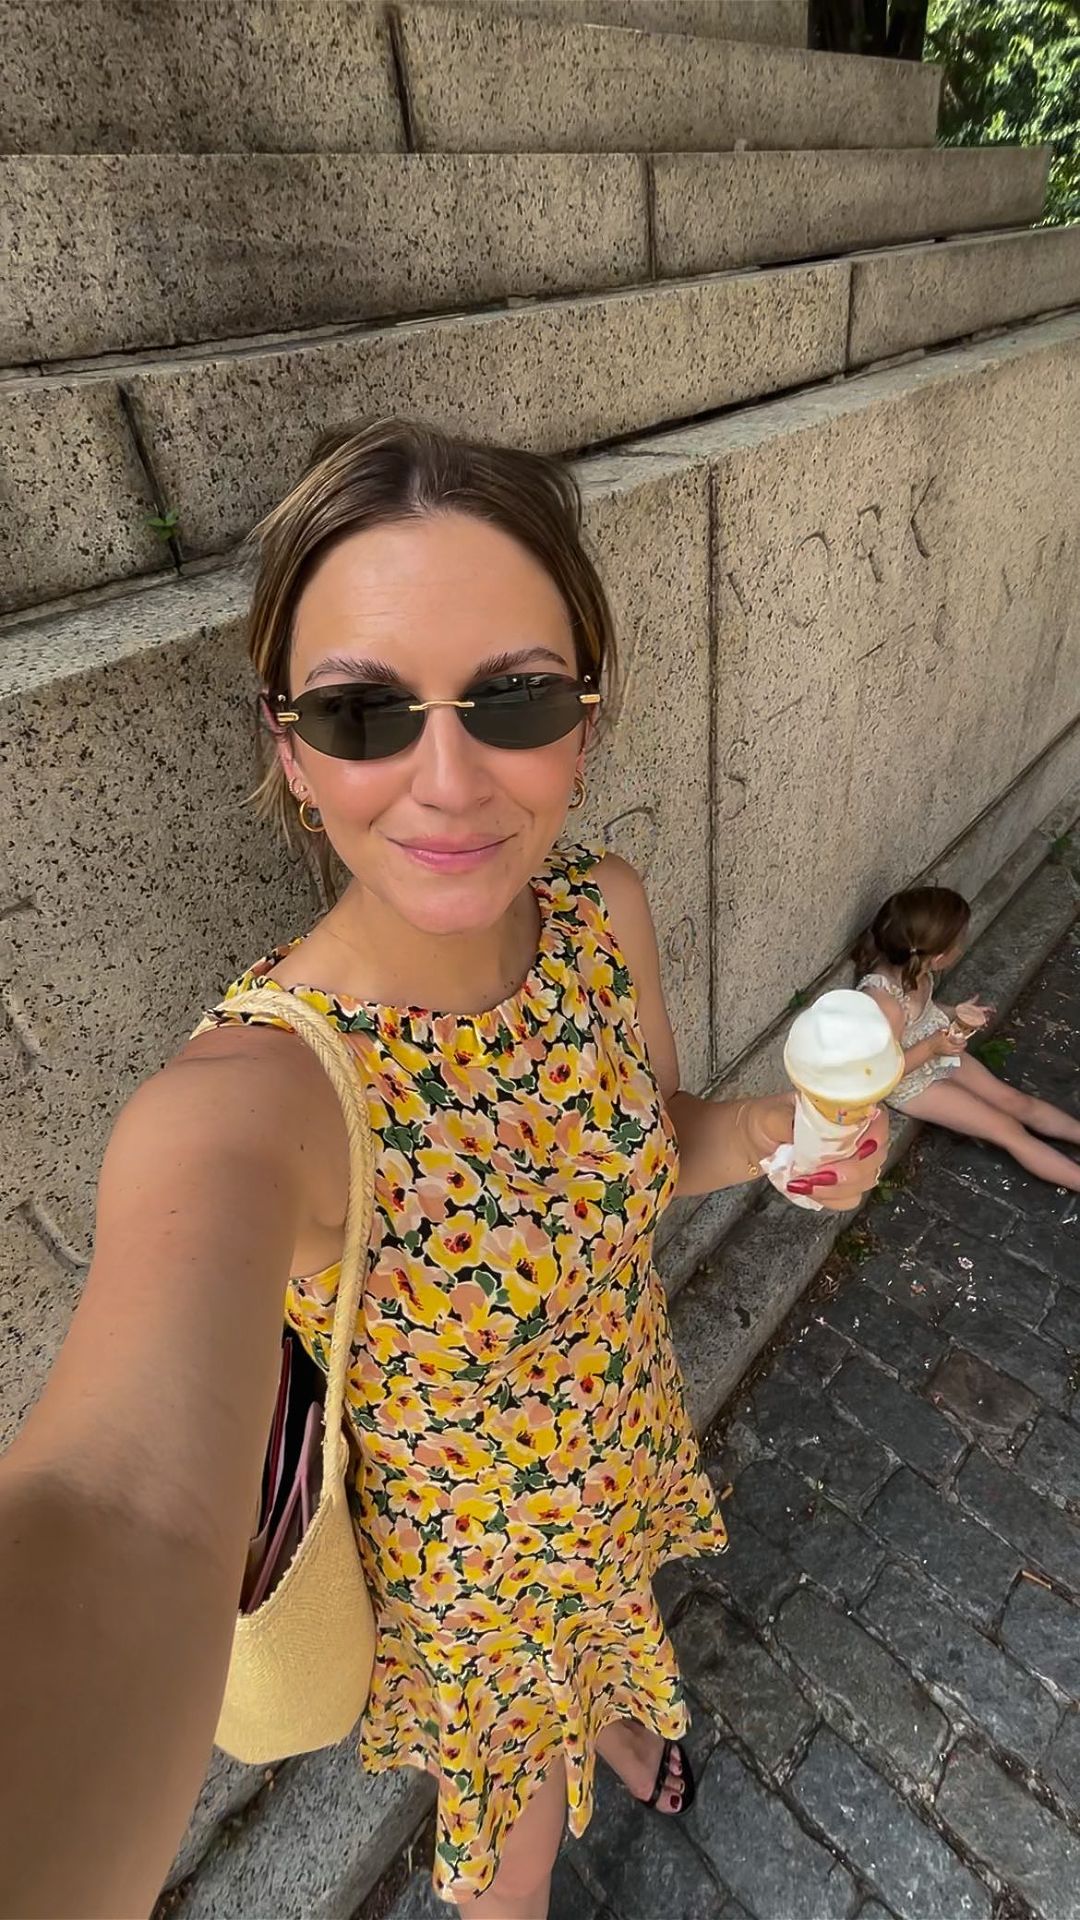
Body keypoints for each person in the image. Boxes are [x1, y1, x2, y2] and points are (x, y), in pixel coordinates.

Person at [0, 420, 886, 1920]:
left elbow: (652, 1138)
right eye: (363, 713)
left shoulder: (601, 911)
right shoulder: (258, 1095)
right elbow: (123, 1506)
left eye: (515, 697)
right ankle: (571, 1732)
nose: (451, 778)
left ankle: (612, 1710)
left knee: (617, 1642)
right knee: (510, 1875)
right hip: (477, 1592)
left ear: (586, 722)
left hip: (614, 1450)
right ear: (291, 749)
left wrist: (783, 1142)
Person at [855, 885, 1080, 1192]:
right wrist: (933, 1046)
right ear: (939, 957)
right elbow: (883, 1073)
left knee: (1016, 1101)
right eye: (959, 942)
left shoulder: (916, 969)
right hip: (909, 1082)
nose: (962, 946)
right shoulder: (884, 1002)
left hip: (936, 1049)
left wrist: (953, 1012)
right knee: (1006, 1128)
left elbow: (921, 1012)